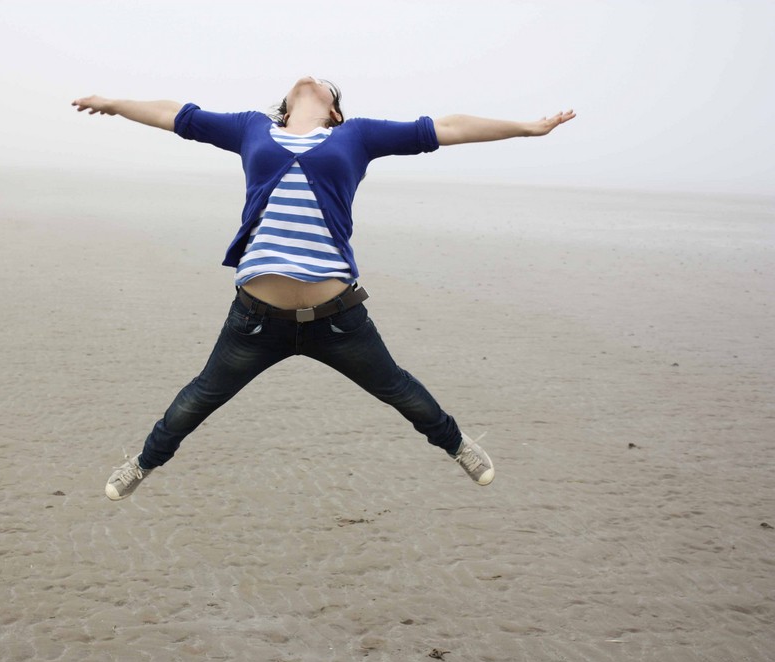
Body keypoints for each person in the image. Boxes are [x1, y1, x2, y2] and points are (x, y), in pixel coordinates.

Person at [72, 77, 574, 500]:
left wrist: (527, 129)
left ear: (334, 111)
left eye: (326, 84)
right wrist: (115, 105)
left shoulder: (356, 136)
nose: (311, 77)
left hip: (338, 319)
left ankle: (457, 443)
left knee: (398, 389)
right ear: (287, 104)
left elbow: (448, 127)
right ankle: (142, 462)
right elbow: (177, 114)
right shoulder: (251, 129)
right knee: (200, 397)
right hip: (256, 320)